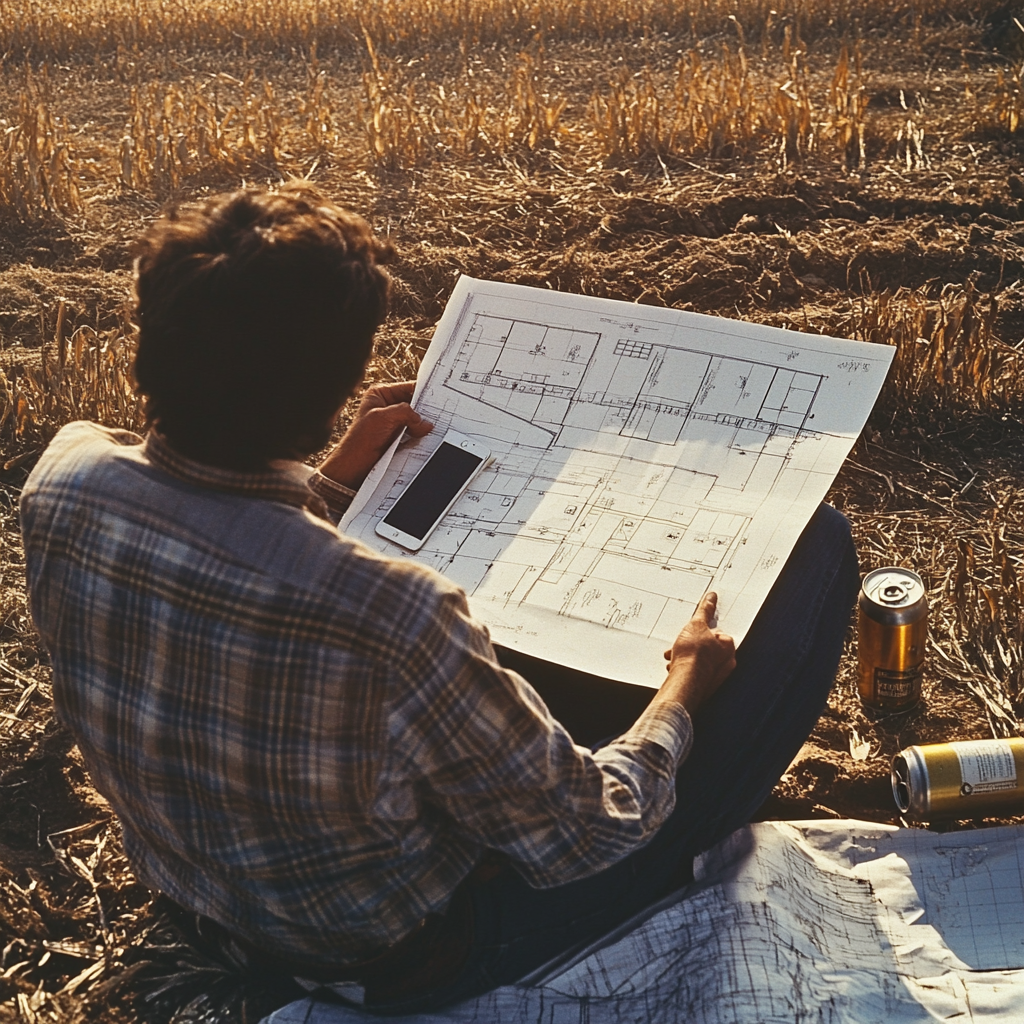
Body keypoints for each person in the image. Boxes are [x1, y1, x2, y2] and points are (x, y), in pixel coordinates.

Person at [20, 184, 859, 1015]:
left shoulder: (64, 477)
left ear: (147, 340)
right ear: (329, 391)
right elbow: (591, 834)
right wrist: (684, 688)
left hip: (202, 901)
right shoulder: (392, 612)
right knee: (817, 544)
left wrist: (336, 480)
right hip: (411, 958)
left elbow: (212, 547)